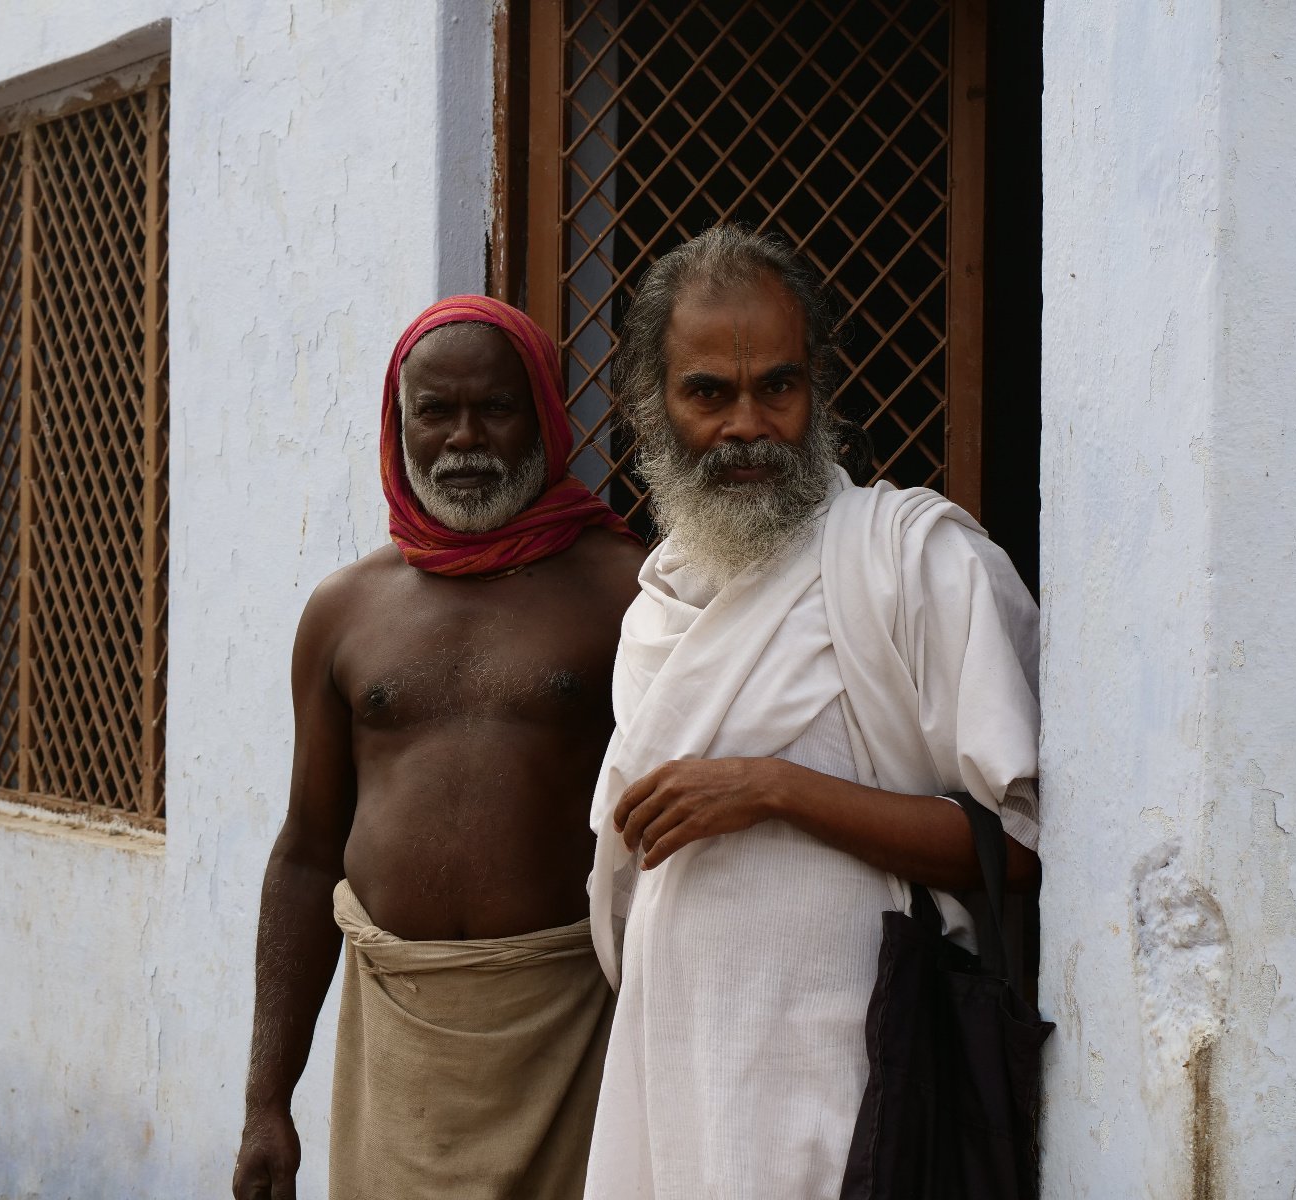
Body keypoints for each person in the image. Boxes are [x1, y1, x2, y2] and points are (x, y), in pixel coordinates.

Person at [581, 226, 1043, 1199]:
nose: (746, 424)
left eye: (775, 388)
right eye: (708, 393)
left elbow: (1016, 852)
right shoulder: (655, 608)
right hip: (680, 1086)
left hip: (862, 1094)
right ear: (652, 409)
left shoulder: (916, 564)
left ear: (815, 392)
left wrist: (773, 790)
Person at [233, 295, 645, 1200]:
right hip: (395, 1047)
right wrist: (268, 1101)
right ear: (398, 421)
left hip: (572, 1036)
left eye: (495, 408)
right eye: (436, 411)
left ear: (542, 411)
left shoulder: (628, 594)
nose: (465, 439)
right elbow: (306, 855)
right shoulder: (345, 613)